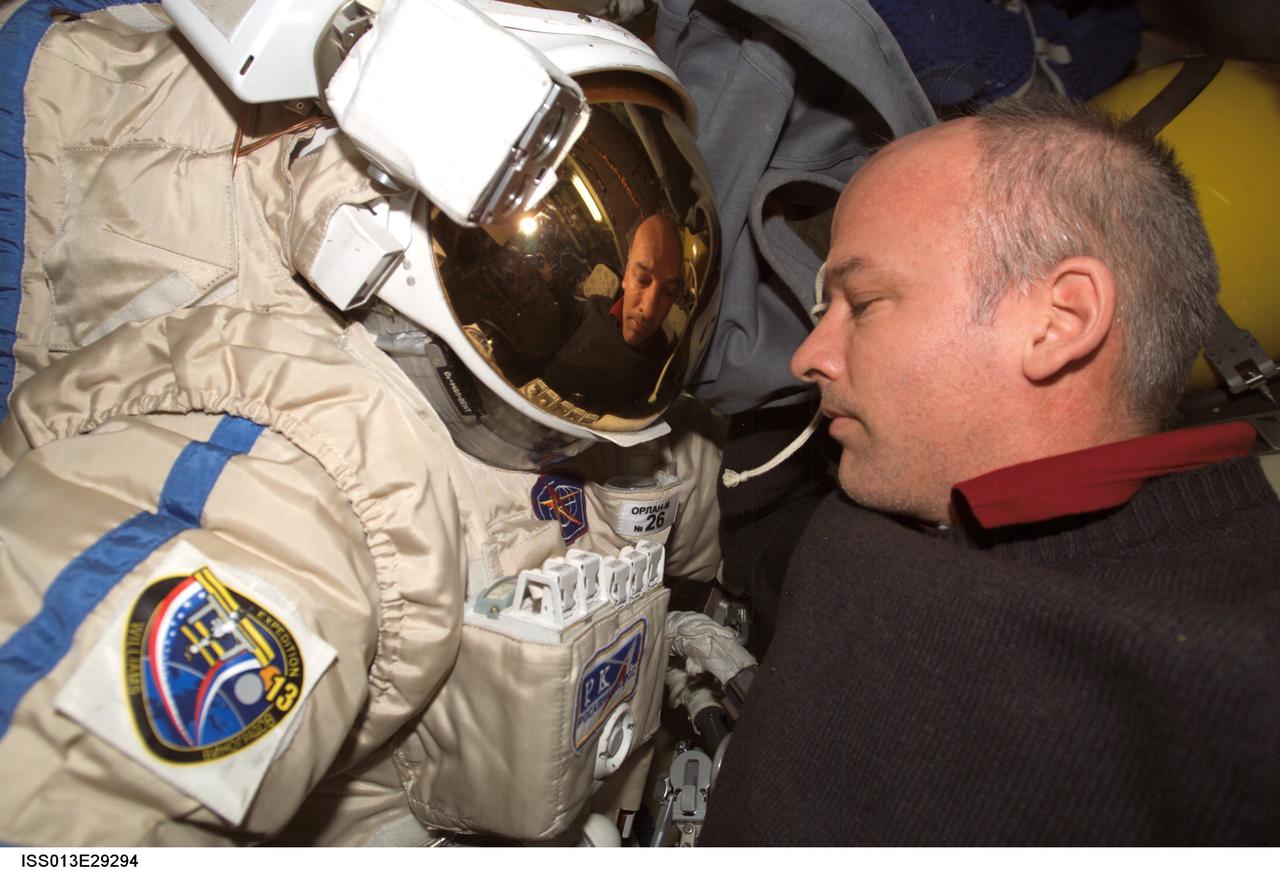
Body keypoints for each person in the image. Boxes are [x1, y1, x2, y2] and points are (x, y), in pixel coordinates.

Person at [0, 0, 724, 846]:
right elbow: (61, 793)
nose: (650, 309)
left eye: (670, 285)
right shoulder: (328, 484)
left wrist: (698, 614)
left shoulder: (646, 433)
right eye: (639, 276)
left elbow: (686, 506)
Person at [702, 94, 1280, 845]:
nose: (808, 356)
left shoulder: (1238, 685)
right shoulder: (885, 495)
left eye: (865, 301)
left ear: (1059, 321)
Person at [543, 213, 684, 412]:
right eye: (642, 280)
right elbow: (558, 322)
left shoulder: (663, 367)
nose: (649, 310)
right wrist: (549, 281)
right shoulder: (592, 309)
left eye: (668, 292)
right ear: (625, 277)